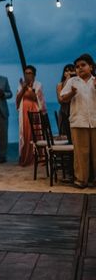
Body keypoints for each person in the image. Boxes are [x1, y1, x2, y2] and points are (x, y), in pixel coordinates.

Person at [60, 54, 96, 189]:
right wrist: (72, 93)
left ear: (91, 67)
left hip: (95, 121)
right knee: (81, 154)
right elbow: (63, 98)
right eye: (77, 66)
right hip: (78, 121)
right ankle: (81, 180)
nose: (80, 68)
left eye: (83, 65)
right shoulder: (72, 81)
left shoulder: (95, 81)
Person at [16, 65, 47, 167]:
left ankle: (38, 157)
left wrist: (29, 88)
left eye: (30, 73)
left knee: (35, 133)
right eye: (26, 73)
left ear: (34, 75)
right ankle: (26, 158)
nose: (27, 75)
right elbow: (18, 100)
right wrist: (23, 88)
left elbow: (37, 99)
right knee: (25, 133)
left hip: (34, 110)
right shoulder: (21, 85)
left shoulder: (38, 85)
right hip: (24, 112)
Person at [56, 63, 76, 142]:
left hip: (75, 111)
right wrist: (68, 80)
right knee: (69, 137)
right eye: (66, 71)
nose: (68, 72)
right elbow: (60, 100)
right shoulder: (60, 85)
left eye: (71, 70)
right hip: (65, 113)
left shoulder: (76, 83)